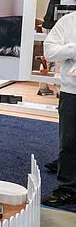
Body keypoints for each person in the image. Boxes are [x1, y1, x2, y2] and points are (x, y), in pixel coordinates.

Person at [43, 11, 76, 207]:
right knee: (69, 141)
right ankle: (68, 188)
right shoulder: (68, 21)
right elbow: (49, 52)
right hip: (72, 91)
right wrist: (73, 49)